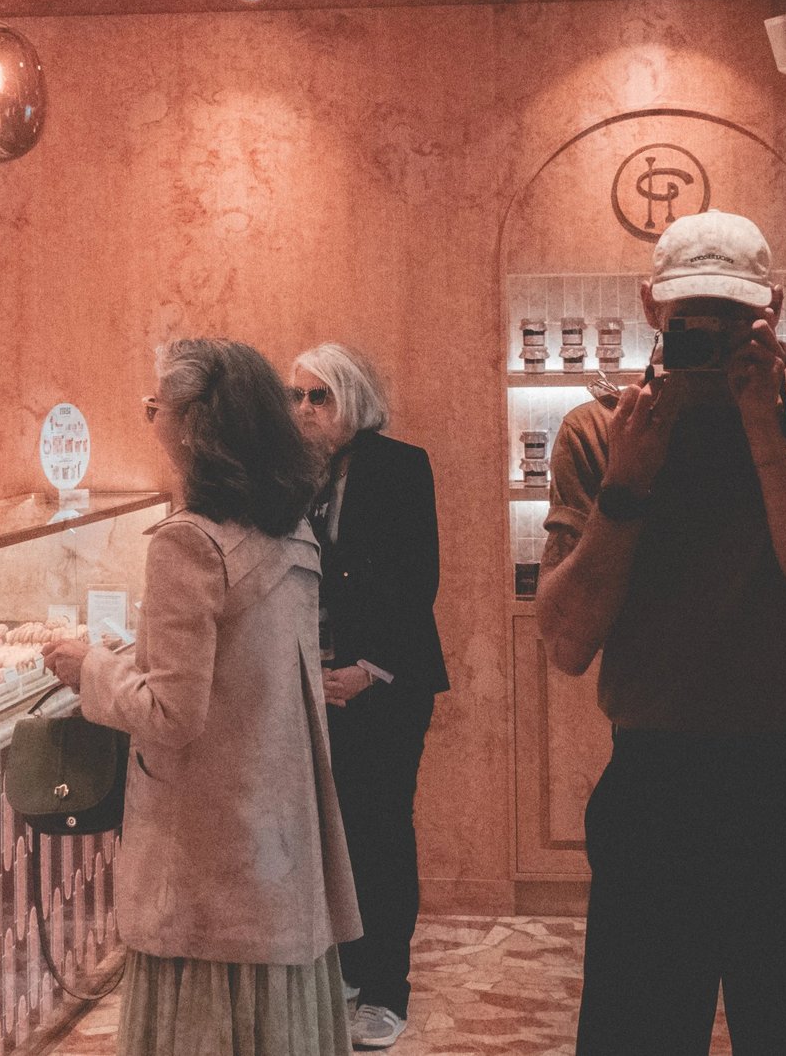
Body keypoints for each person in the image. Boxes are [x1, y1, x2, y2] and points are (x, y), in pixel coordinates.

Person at [535, 210, 786, 1056]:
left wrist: (766, 437)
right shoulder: (602, 431)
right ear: (652, 307)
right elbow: (566, 643)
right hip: (656, 782)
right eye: (694, 321)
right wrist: (628, 484)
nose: (712, 342)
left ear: (773, 312)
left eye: (734, 320)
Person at [43, 337, 361, 1056]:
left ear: (189, 425)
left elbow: (171, 712)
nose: (150, 420)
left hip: (206, 854)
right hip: (276, 837)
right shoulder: (292, 533)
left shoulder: (185, 544)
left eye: (154, 407)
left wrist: (91, 668)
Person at [288, 343, 448, 1051]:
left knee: (381, 833)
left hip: (388, 684)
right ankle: (349, 972)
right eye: (296, 396)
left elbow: (419, 581)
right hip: (317, 684)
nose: (304, 409)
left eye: (318, 395)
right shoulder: (298, 476)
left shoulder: (400, 466)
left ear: (353, 399)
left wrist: (371, 668)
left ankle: (387, 989)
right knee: (336, 833)